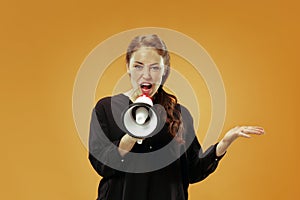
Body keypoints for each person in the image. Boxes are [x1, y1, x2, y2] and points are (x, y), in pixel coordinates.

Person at [88, 34, 265, 200]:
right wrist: (132, 135)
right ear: (128, 67)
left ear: (164, 71)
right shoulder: (106, 108)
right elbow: (101, 164)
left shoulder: (180, 114)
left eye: (155, 67)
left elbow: (193, 171)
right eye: (138, 66)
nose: (146, 74)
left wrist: (224, 143)